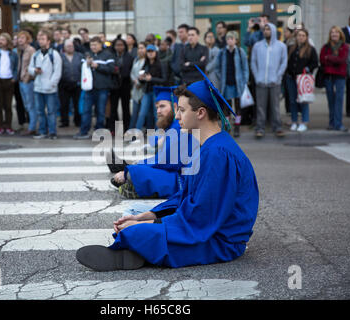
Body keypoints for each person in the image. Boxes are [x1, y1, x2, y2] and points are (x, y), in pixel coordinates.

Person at [75, 67, 259, 271]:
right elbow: (187, 196)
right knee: (134, 223)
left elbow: (202, 216)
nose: (177, 116)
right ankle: (137, 247)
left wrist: (150, 226)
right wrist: (150, 216)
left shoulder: (218, 153)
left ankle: (137, 249)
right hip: (212, 228)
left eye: (181, 110)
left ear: (200, 113)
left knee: (136, 232)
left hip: (221, 241)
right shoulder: (210, 146)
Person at [109, 86, 190, 200]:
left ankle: (130, 173)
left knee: (134, 173)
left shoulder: (178, 126)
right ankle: (129, 170)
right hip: (175, 171)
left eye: (162, 106)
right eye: (157, 107)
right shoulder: (171, 125)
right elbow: (156, 144)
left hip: (182, 178)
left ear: (175, 106)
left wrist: (133, 167)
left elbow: (165, 160)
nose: (158, 111)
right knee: (137, 171)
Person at [251, 23, 287, 138]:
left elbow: (283, 63)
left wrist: (278, 77)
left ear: (273, 31)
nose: (266, 31)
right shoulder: (257, 46)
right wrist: (257, 77)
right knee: (260, 107)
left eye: (268, 29)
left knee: (275, 107)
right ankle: (260, 128)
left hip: (275, 82)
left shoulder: (281, 46)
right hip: (261, 82)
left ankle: (277, 127)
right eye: (265, 29)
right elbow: (253, 62)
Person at [74, 36, 114, 140]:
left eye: (95, 45)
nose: (93, 47)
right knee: (86, 110)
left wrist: (98, 66)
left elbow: (111, 69)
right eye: (92, 45)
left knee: (100, 111)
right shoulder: (87, 55)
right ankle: (83, 131)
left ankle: (99, 132)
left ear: (101, 45)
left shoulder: (107, 55)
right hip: (89, 88)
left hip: (102, 88)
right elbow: (79, 68)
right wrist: (86, 64)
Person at [28, 29, 63, 140]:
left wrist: (51, 84)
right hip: (38, 87)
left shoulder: (54, 54)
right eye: (39, 39)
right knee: (40, 111)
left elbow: (57, 72)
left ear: (48, 41)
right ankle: (42, 131)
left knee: (51, 111)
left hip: (50, 88)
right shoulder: (36, 54)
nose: (40, 41)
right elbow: (29, 68)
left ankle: (52, 132)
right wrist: (34, 70)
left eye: (43, 39)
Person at [216, 31, 249, 138]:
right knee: (227, 107)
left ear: (236, 40)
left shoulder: (240, 51)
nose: (229, 41)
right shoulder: (222, 52)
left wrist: (244, 81)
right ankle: (228, 126)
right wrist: (221, 78)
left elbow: (245, 68)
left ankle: (237, 126)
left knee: (238, 107)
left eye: (232, 39)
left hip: (237, 84)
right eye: (228, 39)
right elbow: (217, 67)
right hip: (226, 84)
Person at [286, 28, 318, 132]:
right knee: (292, 101)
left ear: (306, 37)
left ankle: (304, 122)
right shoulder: (291, 48)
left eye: (303, 35)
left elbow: (315, 63)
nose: (301, 37)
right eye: (299, 35)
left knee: (303, 100)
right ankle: (294, 121)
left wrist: (307, 69)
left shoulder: (310, 49)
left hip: (303, 79)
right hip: (291, 78)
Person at [320, 26, 349, 132]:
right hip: (328, 76)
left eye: (336, 32)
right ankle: (332, 123)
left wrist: (329, 58)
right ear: (330, 35)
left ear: (340, 34)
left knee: (339, 100)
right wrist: (332, 59)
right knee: (331, 101)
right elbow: (322, 59)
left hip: (340, 77)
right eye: (332, 32)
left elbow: (342, 60)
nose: (334, 34)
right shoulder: (325, 47)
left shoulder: (344, 47)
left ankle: (339, 124)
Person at [136, 44, 168, 130]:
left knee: (156, 113)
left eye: (152, 51)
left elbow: (164, 80)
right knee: (142, 113)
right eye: (148, 52)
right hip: (147, 91)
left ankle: (158, 135)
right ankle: (136, 134)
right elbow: (142, 80)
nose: (150, 53)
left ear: (155, 52)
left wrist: (151, 79)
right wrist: (141, 79)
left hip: (157, 92)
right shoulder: (145, 65)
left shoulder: (161, 64)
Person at [108, 37, 134, 134]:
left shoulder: (129, 56)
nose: (119, 47)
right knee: (113, 108)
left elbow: (130, 70)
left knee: (125, 108)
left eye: (121, 45)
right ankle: (114, 129)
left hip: (125, 85)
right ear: (114, 46)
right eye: (117, 45)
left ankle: (127, 128)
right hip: (113, 85)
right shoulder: (111, 56)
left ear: (125, 46)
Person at [58, 39, 83, 129]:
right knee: (64, 104)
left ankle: (78, 121)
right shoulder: (60, 56)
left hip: (77, 84)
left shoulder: (79, 56)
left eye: (71, 46)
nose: (70, 48)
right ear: (64, 47)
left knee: (77, 104)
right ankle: (64, 121)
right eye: (68, 46)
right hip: (64, 84)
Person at [17, 31, 37, 136]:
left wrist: (27, 78)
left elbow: (33, 65)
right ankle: (31, 126)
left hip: (27, 81)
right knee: (27, 105)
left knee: (31, 105)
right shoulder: (21, 50)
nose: (20, 40)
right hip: (21, 81)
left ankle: (32, 127)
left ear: (27, 39)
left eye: (22, 38)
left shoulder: (31, 50)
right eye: (19, 38)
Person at [129, 42, 147, 129]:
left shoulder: (147, 61)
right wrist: (135, 81)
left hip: (144, 88)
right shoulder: (136, 60)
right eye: (139, 48)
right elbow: (132, 73)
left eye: (142, 48)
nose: (140, 50)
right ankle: (131, 130)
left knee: (144, 112)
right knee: (135, 112)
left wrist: (139, 82)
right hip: (135, 88)